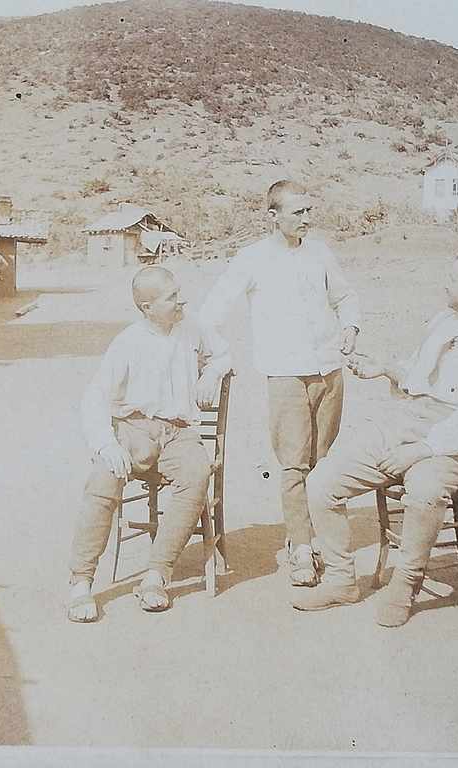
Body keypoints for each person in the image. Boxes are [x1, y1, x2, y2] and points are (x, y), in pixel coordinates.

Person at [295, 248, 458, 627]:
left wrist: (421, 450)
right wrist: (384, 369)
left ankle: (405, 584)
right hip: (402, 424)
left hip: (450, 444)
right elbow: (418, 378)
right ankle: (340, 579)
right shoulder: (444, 323)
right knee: (321, 482)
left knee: (424, 492)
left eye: (451, 280)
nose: (443, 285)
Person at [199, 179, 361, 588]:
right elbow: (212, 311)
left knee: (323, 464)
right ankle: (302, 550)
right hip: (286, 376)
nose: (307, 219)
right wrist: (219, 358)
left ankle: (311, 537)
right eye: (298, 212)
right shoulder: (251, 258)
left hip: (329, 372)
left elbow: (345, 297)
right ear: (273, 216)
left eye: (309, 211)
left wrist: (351, 327)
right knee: (294, 465)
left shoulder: (321, 253)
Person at [67, 266, 231, 623]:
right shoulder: (128, 341)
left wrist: (211, 373)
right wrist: (107, 444)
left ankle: (156, 573)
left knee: (196, 474)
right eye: (172, 296)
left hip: (178, 433)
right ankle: (81, 582)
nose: (181, 300)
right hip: (134, 430)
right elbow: (95, 396)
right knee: (102, 482)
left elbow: (224, 353)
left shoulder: (192, 325)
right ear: (146, 307)